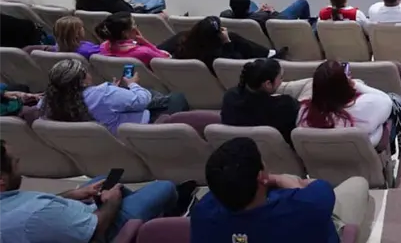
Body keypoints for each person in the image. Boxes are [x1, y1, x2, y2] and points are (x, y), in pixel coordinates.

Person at [191, 137, 370, 242]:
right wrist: (282, 180)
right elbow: (318, 186)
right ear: (261, 176)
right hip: (313, 218)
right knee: (358, 183)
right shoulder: (307, 206)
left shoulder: (201, 214)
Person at [0, 138, 181, 242]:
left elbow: (31, 209)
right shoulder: (35, 215)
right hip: (103, 227)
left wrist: (72, 195)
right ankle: (173, 213)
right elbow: (96, 229)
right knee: (165, 185)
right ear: (2, 180)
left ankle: (143, 209)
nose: (20, 167)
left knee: (101, 181)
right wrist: (112, 202)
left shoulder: (14, 205)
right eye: (16, 164)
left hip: (70, 218)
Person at [39, 57, 186, 134]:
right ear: (82, 81)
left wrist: (114, 92)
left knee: (155, 95)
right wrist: (132, 84)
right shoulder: (104, 94)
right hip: (134, 132)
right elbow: (142, 100)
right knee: (177, 98)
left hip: (100, 144)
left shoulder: (46, 103)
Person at [296, 60, 392, 146]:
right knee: (395, 101)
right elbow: (387, 101)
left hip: (321, 164)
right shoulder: (363, 108)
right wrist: (355, 85)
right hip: (359, 163)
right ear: (344, 86)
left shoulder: (303, 114)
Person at [220, 58, 299, 143]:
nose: (281, 81)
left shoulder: (229, 97)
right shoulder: (285, 106)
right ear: (268, 84)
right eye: (280, 78)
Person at [160, 16, 269, 73]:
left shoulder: (181, 39)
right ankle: (269, 55)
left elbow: (158, 51)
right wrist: (227, 42)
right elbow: (235, 67)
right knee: (235, 38)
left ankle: (268, 54)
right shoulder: (216, 56)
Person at [96, 12, 171, 67]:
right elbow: (165, 61)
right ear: (125, 33)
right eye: (134, 24)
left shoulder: (103, 47)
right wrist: (145, 42)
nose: (136, 27)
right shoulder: (143, 52)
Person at [221, 0, 312, 32]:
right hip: (277, 19)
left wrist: (257, 13)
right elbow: (279, 20)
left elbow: (254, 15)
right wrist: (272, 11)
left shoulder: (224, 16)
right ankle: (308, 30)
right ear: (247, 8)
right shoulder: (263, 17)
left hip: (249, 17)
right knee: (302, 3)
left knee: (252, 2)